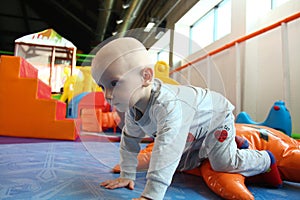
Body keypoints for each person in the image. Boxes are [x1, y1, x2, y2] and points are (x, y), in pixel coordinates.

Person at [91, 37, 282, 200]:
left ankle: (264, 159)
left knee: (223, 162)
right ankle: (233, 142)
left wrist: (151, 194)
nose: (108, 95)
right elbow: (129, 141)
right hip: (193, 126)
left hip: (215, 117)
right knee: (184, 164)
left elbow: (167, 150)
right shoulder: (134, 109)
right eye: (102, 86)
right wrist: (127, 174)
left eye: (114, 83)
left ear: (146, 76)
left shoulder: (167, 106)